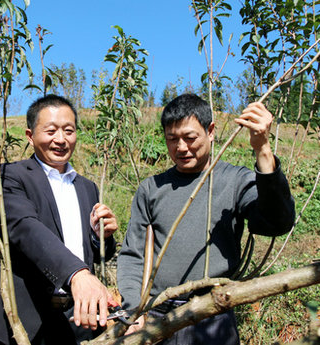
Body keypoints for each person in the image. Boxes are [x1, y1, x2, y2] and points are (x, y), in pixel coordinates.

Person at [117, 94, 295, 344]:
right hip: (157, 318)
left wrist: (263, 150)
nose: (181, 148)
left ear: (210, 131)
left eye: (190, 138)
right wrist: (134, 310)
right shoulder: (151, 189)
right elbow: (133, 255)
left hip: (213, 317)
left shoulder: (234, 181)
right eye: (172, 139)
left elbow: (277, 222)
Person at [0, 94, 119, 344]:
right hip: (25, 317)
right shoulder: (10, 176)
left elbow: (94, 255)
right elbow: (24, 229)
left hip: (76, 320)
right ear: (30, 136)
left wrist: (101, 237)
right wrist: (78, 275)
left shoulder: (87, 187)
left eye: (69, 131)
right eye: (50, 131)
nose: (60, 139)